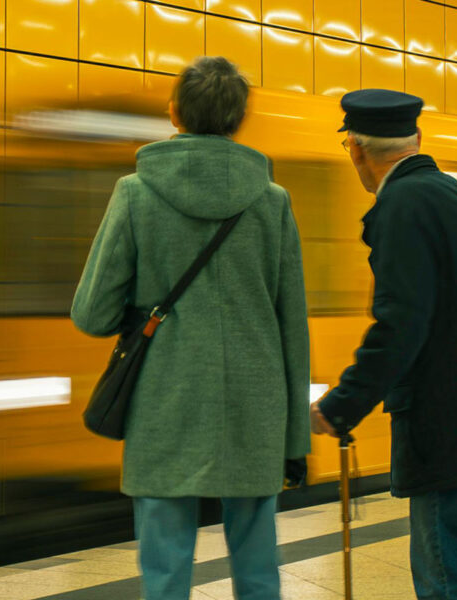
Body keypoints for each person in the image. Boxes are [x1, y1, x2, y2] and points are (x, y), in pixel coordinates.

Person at [71, 57, 310, 600]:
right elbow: (292, 328)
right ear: (239, 119)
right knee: (258, 570)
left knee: (165, 573)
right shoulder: (273, 201)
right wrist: (295, 438)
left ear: (174, 112)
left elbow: (92, 314)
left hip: (165, 402)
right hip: (255, 407)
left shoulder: (135, 193)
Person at [310, 89, 457, 599]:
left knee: (447, 576)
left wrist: (342, 404)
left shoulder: (401, 206)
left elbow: (401, 323)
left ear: (356, 149)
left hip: (442, 424)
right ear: (417, 137)